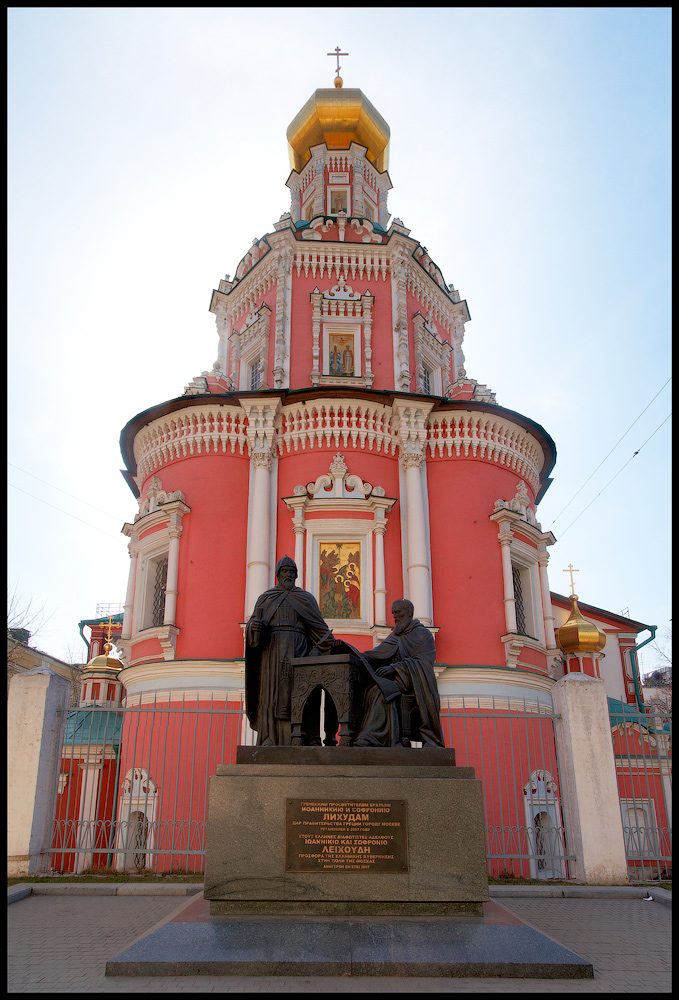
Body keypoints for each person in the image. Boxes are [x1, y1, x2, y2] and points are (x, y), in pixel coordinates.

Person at [245, 555, 337, 746]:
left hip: (300, 652)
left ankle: (302, 737)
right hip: (272, 653)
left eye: (292, 571)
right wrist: (254, 627)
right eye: (285, 571)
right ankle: (269, 737)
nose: (288, 575)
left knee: (301, 695)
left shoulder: (305, 598)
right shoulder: (266, 598)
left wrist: (326, 648)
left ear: (296, 575)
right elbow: (254, 624)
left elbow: (320, 630)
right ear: (278, 574)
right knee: (271, 694)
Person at [353, 598, 444, 747]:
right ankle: (369, 736)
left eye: (398, 612)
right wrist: (353, 652)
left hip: (412, 682)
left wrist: (394, 668)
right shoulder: (395, 636)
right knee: (365, 690)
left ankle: (372, 738)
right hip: (395, 680)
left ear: (408, 613)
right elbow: (375, 654)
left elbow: (423, 664)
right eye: (393, 612)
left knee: (382, 691)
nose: (394, 616)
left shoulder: (422, 635)